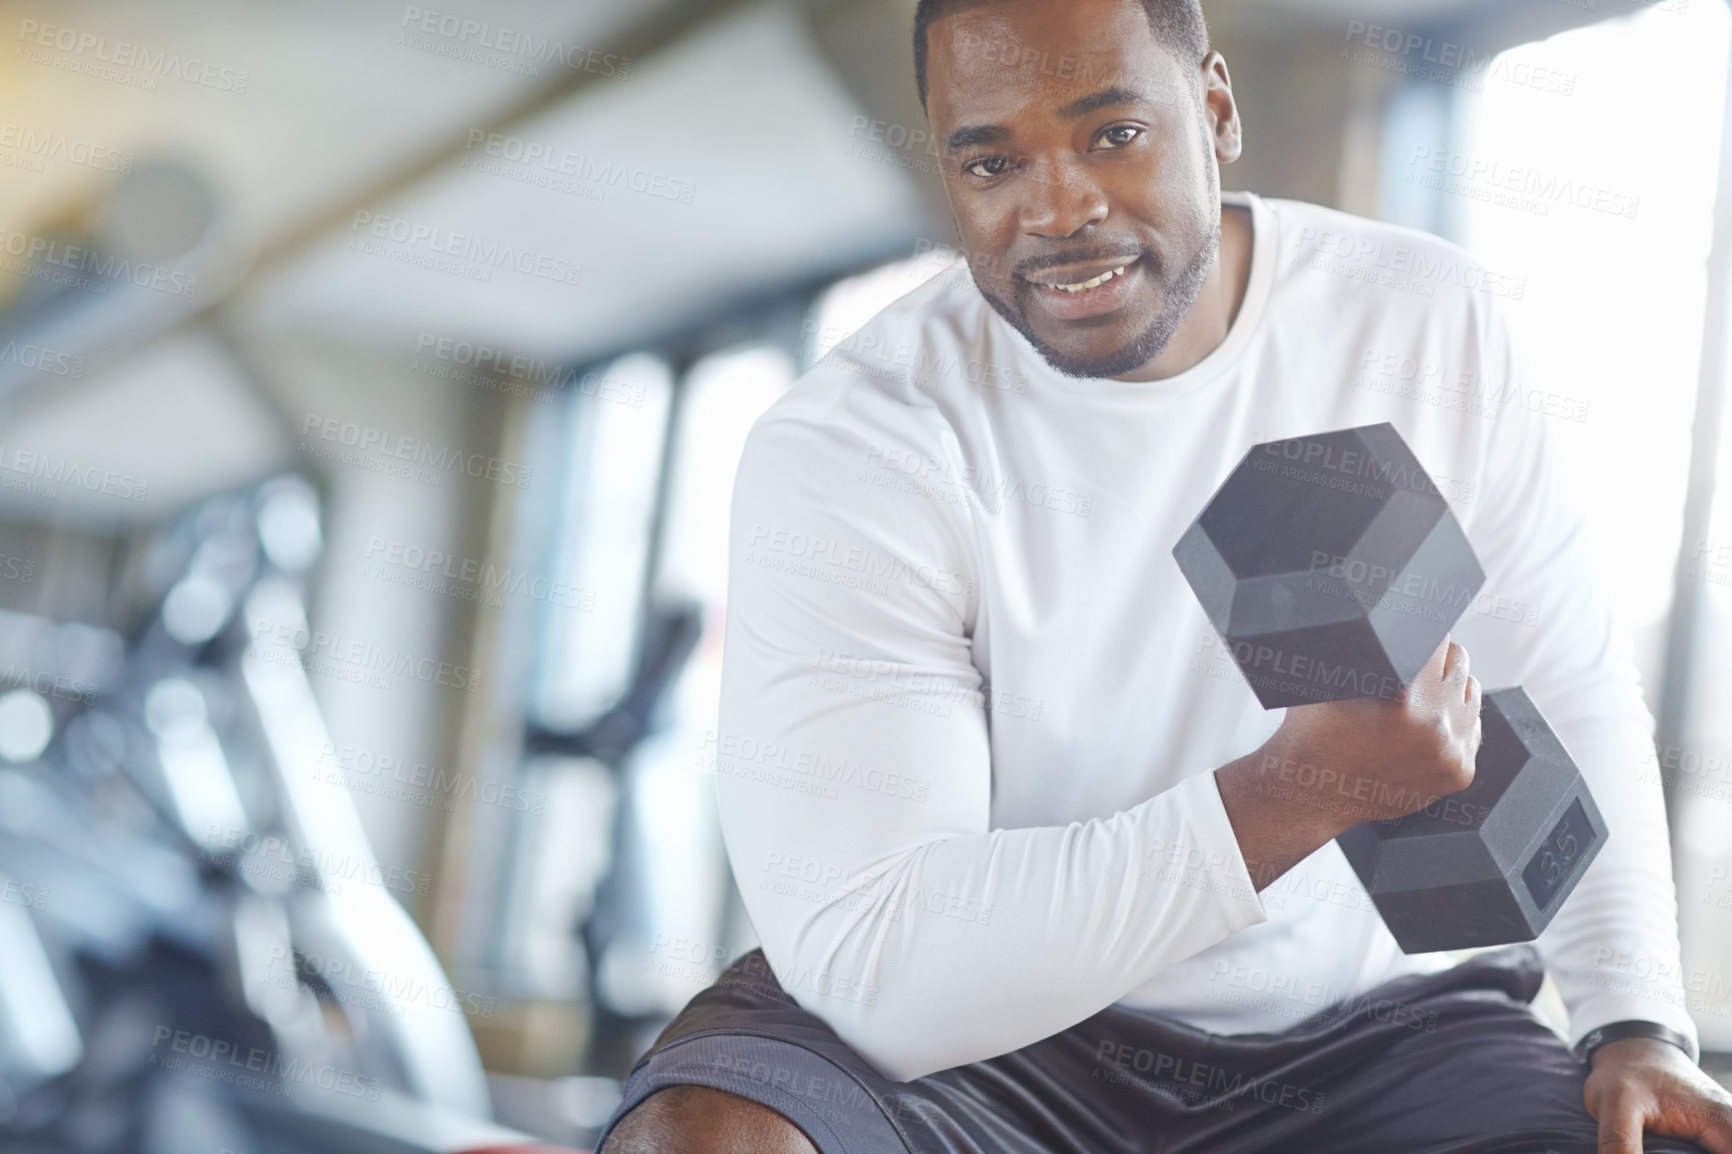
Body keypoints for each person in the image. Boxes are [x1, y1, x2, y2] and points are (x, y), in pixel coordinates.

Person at [599, 1, 1732, 1150]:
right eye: (991, 159)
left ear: (1215, 109)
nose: (1056, 210)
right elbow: (879, 963)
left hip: (1376, 1033)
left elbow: (1566, 680)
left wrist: (1634, 1018)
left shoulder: (1420, 315)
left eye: (1112, 135)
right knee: (708, 1136)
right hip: (998, 1034)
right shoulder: (862, 439)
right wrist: (1293, 794)